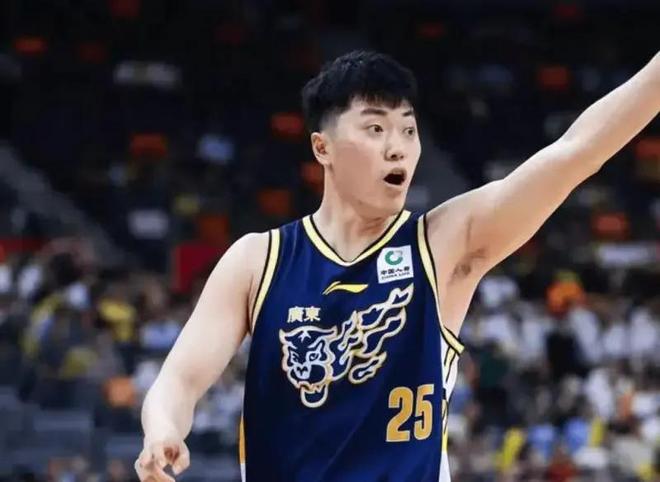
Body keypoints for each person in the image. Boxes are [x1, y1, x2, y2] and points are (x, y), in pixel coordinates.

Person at [135, 50, 660, 482]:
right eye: (375, 128)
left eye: (408, 131)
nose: (398, 149)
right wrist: (162, 429)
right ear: (323, 148)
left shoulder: (443, 244)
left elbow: (575, 153)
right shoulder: (259, 259)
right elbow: (179, 379)